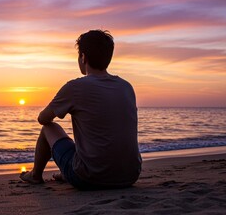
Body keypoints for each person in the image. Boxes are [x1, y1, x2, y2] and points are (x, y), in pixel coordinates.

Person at [20, 30, 142, 190]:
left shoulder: (75, 87)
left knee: (49, 128)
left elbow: (43, 118)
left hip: (90, 178)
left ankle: (35, 175)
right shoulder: (126, 87)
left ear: (83, 57)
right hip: (130, 175)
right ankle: (69, 170)